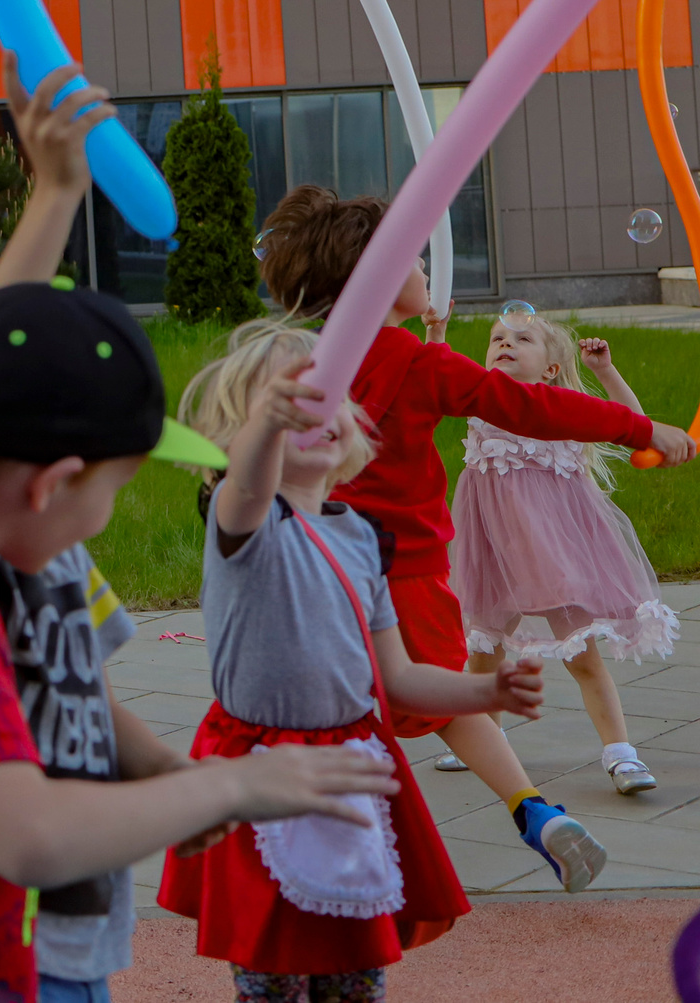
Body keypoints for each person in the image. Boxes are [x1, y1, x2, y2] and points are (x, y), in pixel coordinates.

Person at [0, 279, 401, 1003]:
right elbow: (32, 835)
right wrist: (236, 781)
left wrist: (170, 773)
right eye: (115, 490)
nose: (104, 518)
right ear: (52, 484)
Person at [0, 59, 225, 1003]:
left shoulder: (51, 546)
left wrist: (169, 775)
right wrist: (56, 190)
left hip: (74, 922)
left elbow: (83, 698)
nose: (117, 498)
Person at [257, 186, 696, 889]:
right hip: (407, 571)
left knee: (332, 704)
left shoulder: (301, 359)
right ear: (374, 273)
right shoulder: (417, 365)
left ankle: (315, 830)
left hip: (316, 563)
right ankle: (530, 807)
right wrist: (643, 428)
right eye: (413, 256)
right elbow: (534, 405)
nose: (428, 266)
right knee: (438, 701)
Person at [159, 319, 550, 997]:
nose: (315, 409)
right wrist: (264, 434)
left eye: (330, 394)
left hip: (351, 765)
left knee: (355, 971)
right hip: (263, 771)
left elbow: (398, 675)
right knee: (273, 969)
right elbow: (246, 484)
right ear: (237, 437)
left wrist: (486, 694)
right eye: (288, 400)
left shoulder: (359, 536)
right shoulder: (245, 520)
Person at [447, 309, 677, 794]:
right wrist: (432, 326)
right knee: (483, 650)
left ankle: (621, 754)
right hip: (495, 552)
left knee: (583, 657)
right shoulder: (481, 399)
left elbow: (630, 422)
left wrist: (604, 371)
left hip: (555, 554)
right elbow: (434, 365)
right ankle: (482, 737)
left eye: (522, 338)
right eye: (496, 339)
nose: (504, 344)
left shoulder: (562, 406)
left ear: (550, 368)